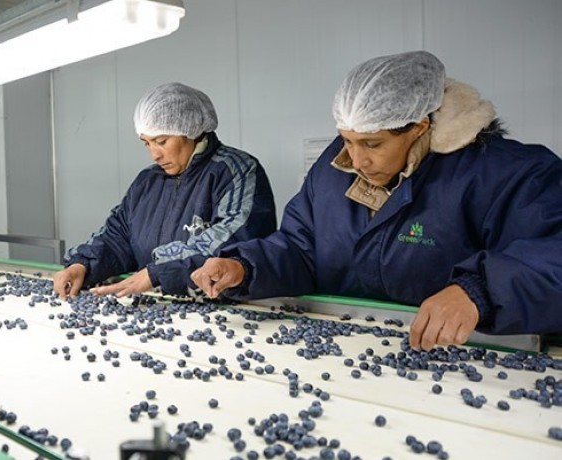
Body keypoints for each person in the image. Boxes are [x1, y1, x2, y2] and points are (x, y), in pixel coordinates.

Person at [190, 51, 562, 350]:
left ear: (419, 127)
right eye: (347, 140)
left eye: (372, 144)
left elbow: (552, 257)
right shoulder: (334, 169)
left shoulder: (508, 173)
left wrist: (477, 292)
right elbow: (301, 248)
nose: (356, 160)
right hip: (358, 350)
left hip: (469, 354)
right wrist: (245, 266)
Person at [53, 82, 277, 299]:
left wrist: (157, 273)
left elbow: (234, 242)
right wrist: (82, 264)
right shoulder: (147, 181)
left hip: (224, 307)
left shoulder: (235, 171)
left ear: (191, 130)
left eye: (161, 141)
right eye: (146, 143)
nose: (154, 154)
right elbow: (117, 236)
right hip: (158, 305)